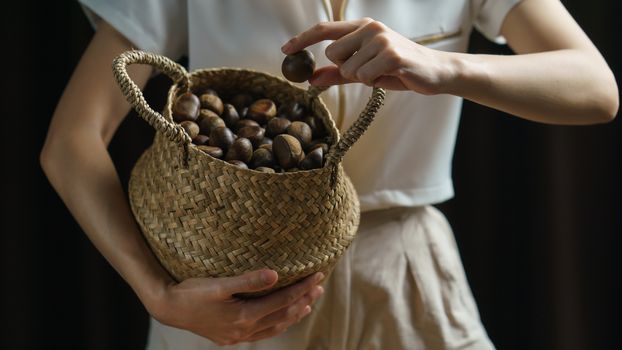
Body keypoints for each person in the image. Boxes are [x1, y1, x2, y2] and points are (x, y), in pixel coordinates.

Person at [40, 0, 618, 349]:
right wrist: (159, 295)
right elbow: (71, 141)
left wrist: (443, 66)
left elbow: (595, 87)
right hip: (238, 290)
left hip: (403, 276)